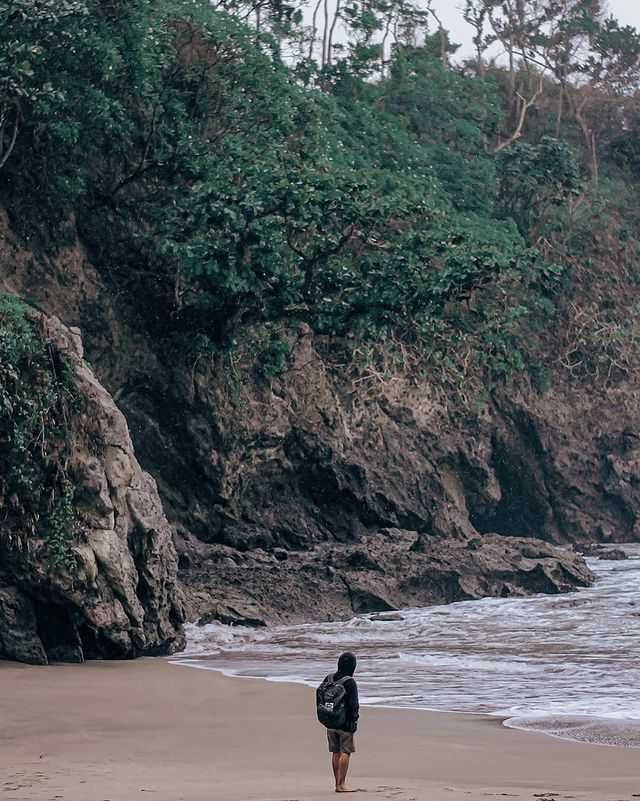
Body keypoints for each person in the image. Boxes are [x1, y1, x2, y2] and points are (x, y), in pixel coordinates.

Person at [317, 651, 360, 793]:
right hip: (344, 723)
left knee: (335, 752)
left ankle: (337, 783)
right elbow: (354, 705)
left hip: (330, 721)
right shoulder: (349, 682)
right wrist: (354, 721)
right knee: (345, 752)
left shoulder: (329, 678)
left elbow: (321, 698)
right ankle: (341, 785)